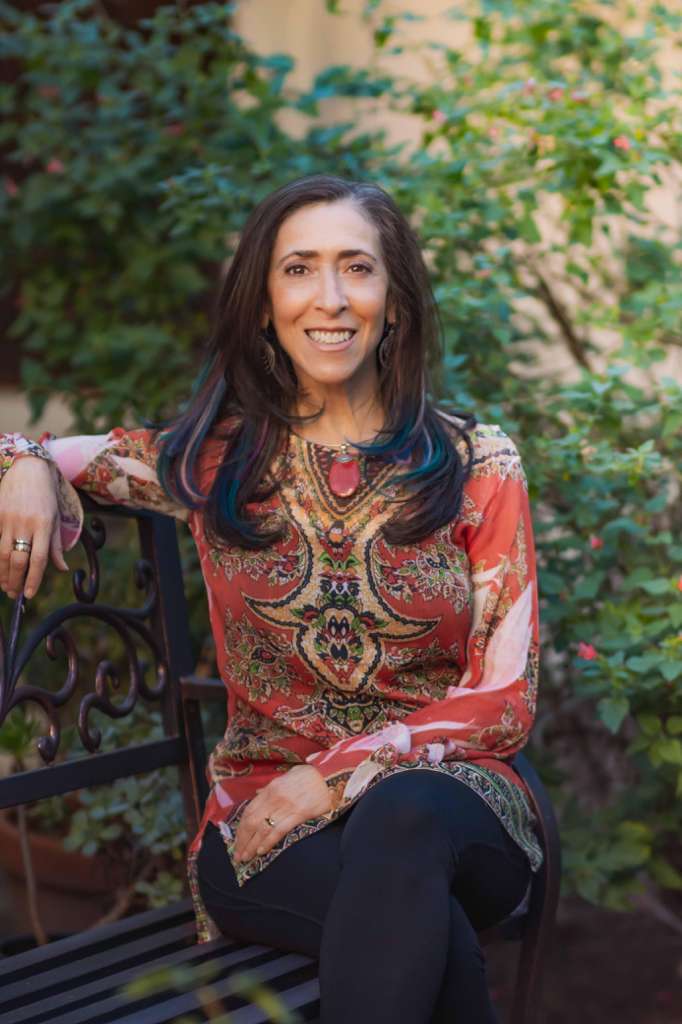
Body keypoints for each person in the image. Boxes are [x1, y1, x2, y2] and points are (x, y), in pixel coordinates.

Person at [0, 175, 542, 1023]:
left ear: (395, 300)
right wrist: (25, 463)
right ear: (262, 305)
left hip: (449, 803)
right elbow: (41, 447)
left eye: (356, 268)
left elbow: (504, 698)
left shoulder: (477, 464)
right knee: (423, 936)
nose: (330, 298)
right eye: (299, 269)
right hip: (264, 827)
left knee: (400, 818)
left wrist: (332, 778)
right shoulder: (214, 463)